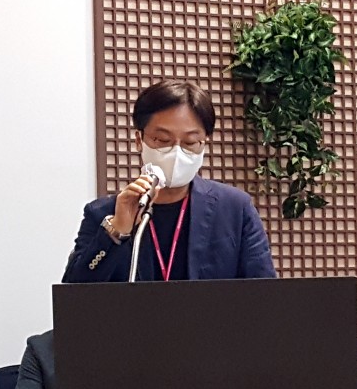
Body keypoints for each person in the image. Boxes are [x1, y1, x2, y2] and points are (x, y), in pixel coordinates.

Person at [62, 79, 276, 283]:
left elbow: (264, 293)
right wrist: (117, 230)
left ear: (204, 144)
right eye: (162, 140)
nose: (176, 152)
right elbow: (74, 294)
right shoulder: (102, 213)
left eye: (190, 142)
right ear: (139, 140)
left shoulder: (234, 209)